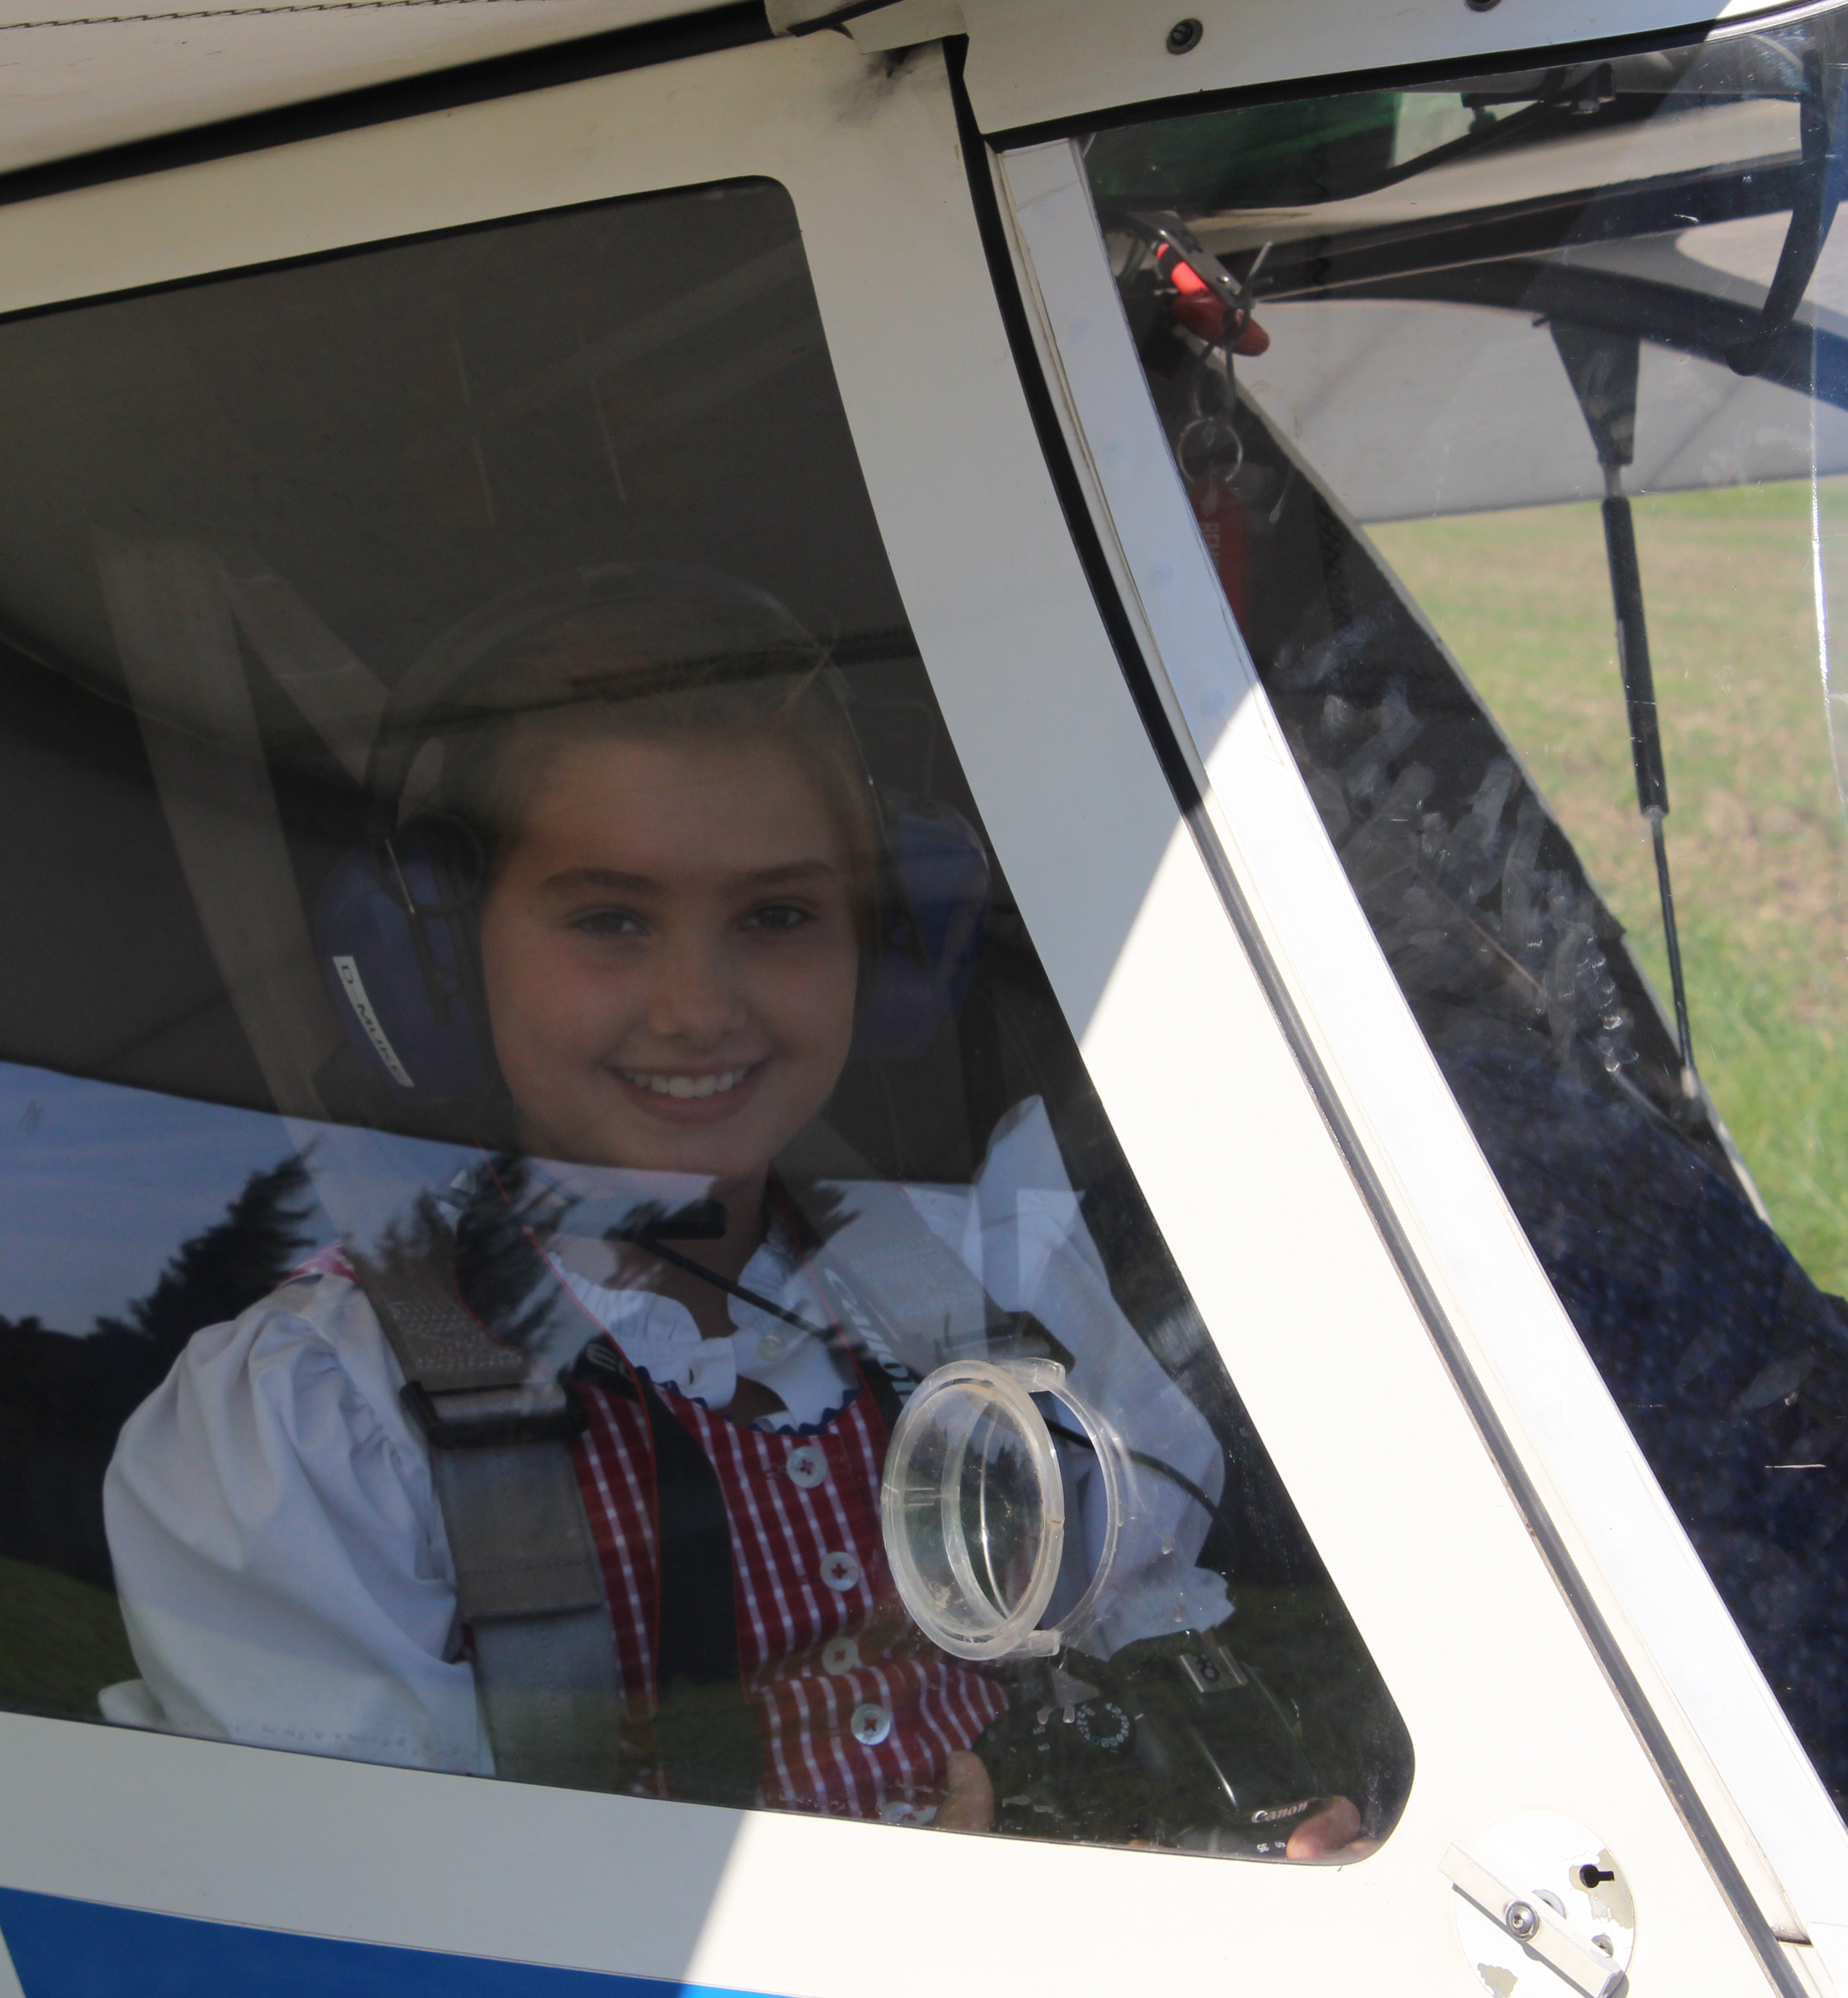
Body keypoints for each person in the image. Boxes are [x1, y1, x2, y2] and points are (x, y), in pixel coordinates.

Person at [102, 568, 1364, 1852]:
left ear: (884, 945)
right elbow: (390, 1905)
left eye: (777, 915)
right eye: (610, 919)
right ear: (439, 961)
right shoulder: (331, 1419)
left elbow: (1141, 1646)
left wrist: (1210, 1828)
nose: (700, 1007)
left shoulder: (975, 1284)